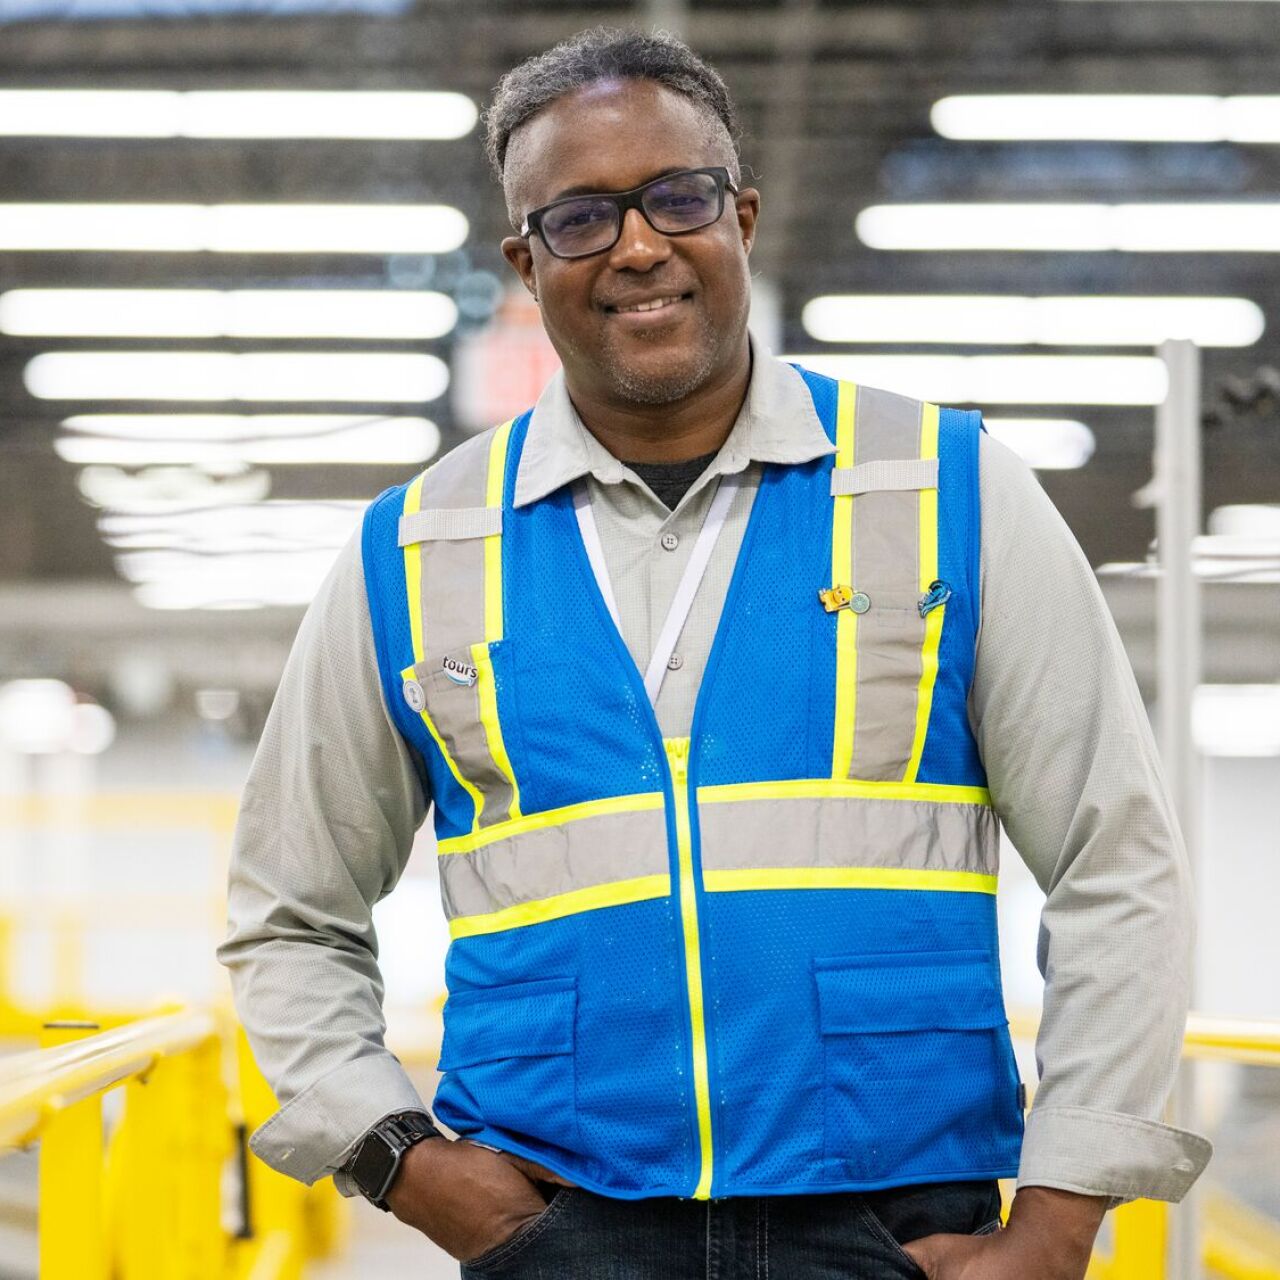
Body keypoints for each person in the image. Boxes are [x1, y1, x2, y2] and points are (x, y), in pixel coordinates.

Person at [217, 25, 1212, 1280]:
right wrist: (396, 1157)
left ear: (739, 213)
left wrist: (1063, 1210)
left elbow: (1115, 858)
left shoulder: (948, 489)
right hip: (555, 1222)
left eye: (676, 198)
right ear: (524, 263)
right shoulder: (412, 548)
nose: (637, 245)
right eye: (579, 218)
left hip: (896, 1222)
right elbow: (287, 910)